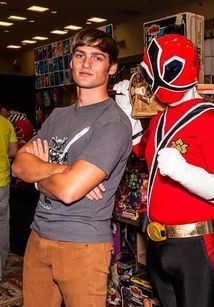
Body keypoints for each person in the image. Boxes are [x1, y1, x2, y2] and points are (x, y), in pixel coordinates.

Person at [109, 34, 214, 307]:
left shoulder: (210, 119)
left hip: (195, 247)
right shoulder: (160, 118)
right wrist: (127, 115)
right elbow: (141, 152)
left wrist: (185, 172)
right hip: (157, 242)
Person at [12, 27, 132, 307]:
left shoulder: (112, 123)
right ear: (71, 62)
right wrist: (64, 169)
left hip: (83, 243)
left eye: (97, 57)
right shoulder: (58, 115)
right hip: (38, 235)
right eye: (80, 55)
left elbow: (68, 192)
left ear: (112, 68)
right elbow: (19, 165)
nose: (87, 64)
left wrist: (40, 174)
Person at [0, 114, 18, 281]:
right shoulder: (6, 123)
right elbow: (13, 151)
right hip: (2, 181)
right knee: (2, 222)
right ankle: (2, 260)